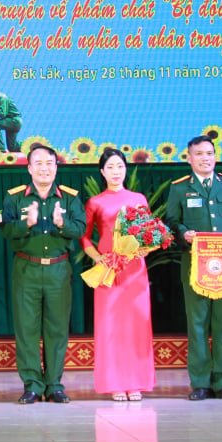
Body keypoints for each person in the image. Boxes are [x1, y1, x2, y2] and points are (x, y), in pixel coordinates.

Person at [1, 144, 86, 404]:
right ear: (29, 168)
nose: (44, 168)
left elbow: (80, 229)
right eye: (38, 163)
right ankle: (32, 385)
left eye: (49, 162)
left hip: (59, 270)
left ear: (56, 166)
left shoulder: (69, 197)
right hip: (26, 269)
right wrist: (26, 223)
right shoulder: (15, 197)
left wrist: (63, 224)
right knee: (26, 329)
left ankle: (54, 385)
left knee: (57, 328)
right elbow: (6, 229)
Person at [165, 135, 222, 401]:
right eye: (199, 154)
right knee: (198, 324)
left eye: (209, 153)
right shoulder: (179, 188)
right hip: (195, 264)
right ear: (189, 158)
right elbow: (171, 221)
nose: (205, 158)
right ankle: (200, 382)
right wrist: (184, 233)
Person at [80, 147, 154, 401]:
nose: (115, 171)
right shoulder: (96, 202)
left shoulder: (139, 198)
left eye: (120, 166)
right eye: (110, 167)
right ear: (102, 171)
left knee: (136, 325)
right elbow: (84, 236)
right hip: (109, 271)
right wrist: (98, 257)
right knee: (110, 326)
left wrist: (145, 248)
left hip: (135, 271)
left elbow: (149, 232)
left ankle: (136, 382)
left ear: (126, 169)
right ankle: (114, 383)